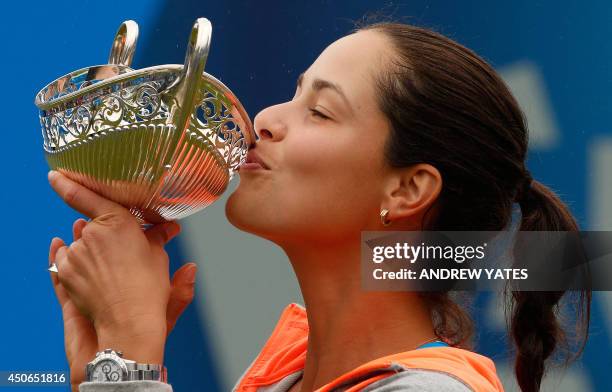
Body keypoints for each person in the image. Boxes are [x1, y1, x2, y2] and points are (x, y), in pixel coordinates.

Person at [48, 21, 591, 392]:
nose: (265, 119)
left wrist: (129, 356)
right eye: (295, 91)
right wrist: (108, 369)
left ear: (407, 191)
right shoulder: (282, 378)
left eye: (321, 112)